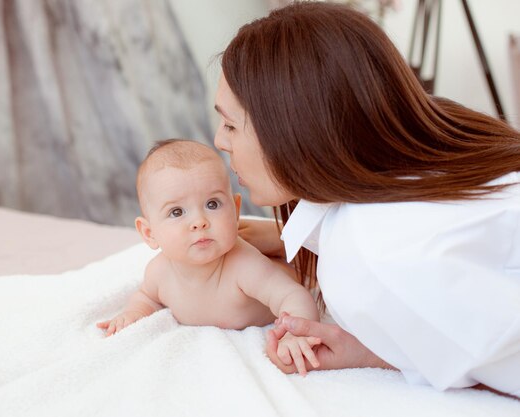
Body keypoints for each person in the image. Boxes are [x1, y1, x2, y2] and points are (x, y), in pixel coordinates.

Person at [213, 1, 520, 396]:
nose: (220, 141)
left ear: (296, 128)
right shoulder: (438, 144)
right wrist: (375, 349)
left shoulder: (370, 258)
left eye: (230, 125)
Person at [97, 139, 322, 375]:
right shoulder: (158, 273)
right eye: (177, 212)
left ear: (235, 211)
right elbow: (146, 297)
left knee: (299, 267)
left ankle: (288, 246)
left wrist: (295, 333)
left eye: (212, 204)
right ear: (149, 233)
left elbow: (292, 294)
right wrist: (132, 314)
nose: (199, 222)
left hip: (291, 269)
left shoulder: (244, 265)